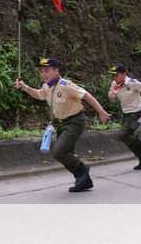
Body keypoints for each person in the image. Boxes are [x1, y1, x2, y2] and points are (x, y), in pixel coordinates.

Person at [15, 58, 110, 193]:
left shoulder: (66, 85)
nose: (43, 74)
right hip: (60, 124)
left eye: (47, 70)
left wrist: (101, 112)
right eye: (41, 71)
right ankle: (84, 181)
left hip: (74, 122)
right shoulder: (47, 86)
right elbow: (39, 94)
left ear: (56, 70)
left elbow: (86, 96)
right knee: (66, 153)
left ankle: (82, 170)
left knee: (59, 151)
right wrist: (24, 87)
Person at [108, 65, 141, 170]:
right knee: (127, 138)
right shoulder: (114, 84)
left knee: (123, 135)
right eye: (112, 75)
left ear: (124, 74)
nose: (114, 77)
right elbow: (112, 100)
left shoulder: (132, 82)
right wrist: (112, 93)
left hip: (136, 113)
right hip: (125, 114)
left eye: (116, 75)